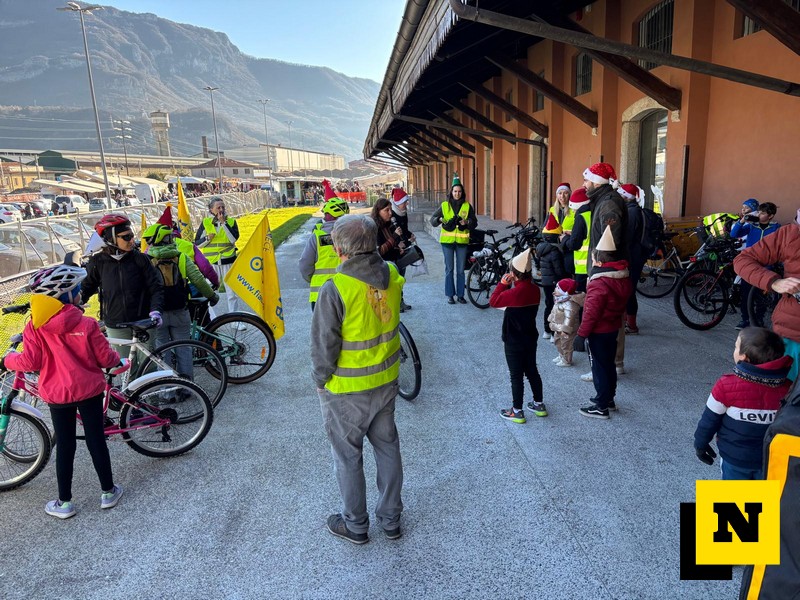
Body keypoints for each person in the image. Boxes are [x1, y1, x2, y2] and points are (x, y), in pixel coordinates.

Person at [2, 262, 125, 519]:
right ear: (66, 295)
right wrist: (117, 361)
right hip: (89, 390)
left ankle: (65, 502)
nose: (81, 291)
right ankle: (108, 492)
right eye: (77, 288)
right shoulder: (87, 323)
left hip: (57, 395)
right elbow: (105, 357)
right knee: (96, 440)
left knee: (65, 445)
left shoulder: (35, 327)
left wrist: (7, 360)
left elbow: (30, 362)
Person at [311, 214, 404, 544]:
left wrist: (320, 381)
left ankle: (356, 525)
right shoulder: (391, 275)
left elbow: (324, 348)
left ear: (339, 249)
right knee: (388, 448)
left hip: (347, 391)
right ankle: (391, 520)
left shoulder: (335, 288)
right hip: (386, 382)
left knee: (348, 458)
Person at [693, 327, 792, 480]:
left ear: (744, 358)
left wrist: (700, 443)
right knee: (764, 501)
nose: (734, 349)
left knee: (735, 500)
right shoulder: (789, 388)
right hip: (770, 459)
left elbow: (709, 420)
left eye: (736, 346)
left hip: (734, 459)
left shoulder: (725, 386)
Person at [81, 214, 164, 359]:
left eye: (132, 236)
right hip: (116, 323)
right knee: (126, 371)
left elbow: (156, 288)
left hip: (143, 321)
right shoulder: (98, 262)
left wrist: (156, 310)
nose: (132, 240)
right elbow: (87, 288)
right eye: (126, 237)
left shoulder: (141, 259)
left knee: (148, 369)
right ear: (111, 239)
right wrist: (72, 308)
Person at [143, 223, 219, 377]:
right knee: (184, 348)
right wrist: (212, 296)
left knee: (162, 351)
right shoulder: (181, 257)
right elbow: (198, 279)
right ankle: (188, 386)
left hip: (158, 313)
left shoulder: (146, 260)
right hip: (180, 310)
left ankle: (167, 391)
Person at [734, 209, 800, 383]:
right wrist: (774, 282)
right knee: (786, 401)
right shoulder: (791, 233)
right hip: (794, 337)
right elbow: (743, 260)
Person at [576, 226, 632, 419]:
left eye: (593, 259)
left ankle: (601, 406)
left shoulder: (599, 283)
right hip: (613, 327)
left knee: (599, 367)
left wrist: (581, 334)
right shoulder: (622, 277)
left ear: (599, 261)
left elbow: (590, 313)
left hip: (598, 331)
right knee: (609, 364)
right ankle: (609, 398)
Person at [490, 249, 546, 423]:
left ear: (513, 274)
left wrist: (502, 284)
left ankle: (517, 411)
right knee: (532, 371)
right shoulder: (535, 290)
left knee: (516, 375)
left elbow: (493, 301)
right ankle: (538, 404)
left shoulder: (513, 293)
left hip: (513, 340)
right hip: (530, 337)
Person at [730, 201, 780, 329]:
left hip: (766, 265)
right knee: (746, 294)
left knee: (760, 296)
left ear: (771, 216)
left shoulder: (776, 228)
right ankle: (745, 319)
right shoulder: (752, 226)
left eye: (762, 213)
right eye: (758, 211)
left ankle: (759, 319)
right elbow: (734, 234)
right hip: (750, 264)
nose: (759, 214)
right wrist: (742, 221)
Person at [429, 174, 477, 304]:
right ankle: (450, 295)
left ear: (462, 192)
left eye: (459, 191)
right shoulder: (444, 205)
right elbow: (432, 220)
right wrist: (439, 219)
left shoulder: (467, 206)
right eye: (455, 191)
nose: (457, 194)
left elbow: (475, 223)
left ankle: (460, 295)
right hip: (447, 243)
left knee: (460, 270)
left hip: (462, 242)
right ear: (451, 192)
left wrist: (467, 222)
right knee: (449, 269)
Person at [298, 189, 350, 310]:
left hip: (320, 295)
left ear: (329, 215)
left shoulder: (317, 237)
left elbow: (305, 265)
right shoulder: (351, 236)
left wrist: (312, 278)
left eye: (325, 214)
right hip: (346, 293)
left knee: (322, 328)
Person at [195, 197, 241, 314]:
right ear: (211, 210)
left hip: (228, 261)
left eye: (223, 207)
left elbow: (233, 239)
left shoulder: (231, 222)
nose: (221, 210)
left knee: (232, 292)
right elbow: (197, 244)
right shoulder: (206, 223)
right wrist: (207, 238)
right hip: (212, 263)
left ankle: (235, 320)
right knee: (210, 292)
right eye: (218, 207)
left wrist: (223, 223)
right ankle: (212, 319)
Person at [618, 184, 646, 335]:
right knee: (628, 289)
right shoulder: (634, 210)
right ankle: (628, 321)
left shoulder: (631, 212)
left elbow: (627, 237)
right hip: (635, 255)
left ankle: (632, 325)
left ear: (625, 196)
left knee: (628, 291)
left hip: (632, 256)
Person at [536, 212, 566, 340]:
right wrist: (564, 276)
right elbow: (558, 269)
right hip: (555, 282)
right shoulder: (554, 251)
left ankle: (546, 331)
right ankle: (554, 333)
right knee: (556, 307)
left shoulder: (541, 249)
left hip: (546, 282)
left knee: (548, 305)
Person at [548, 278, 585, 367]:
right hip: (558, 326)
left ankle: (567, 360)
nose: (555, 289)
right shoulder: (559, 299)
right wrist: (551, 319)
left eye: (558, 288)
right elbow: (554, 311)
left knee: (566, 344)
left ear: (565, 292)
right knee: (558, 341)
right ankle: (561, 355)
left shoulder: (570, 304)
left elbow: (569, 318)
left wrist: (565, 329)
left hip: (567, 329)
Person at [560, 188, 591, 289]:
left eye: (573, 207)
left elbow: (574, 244)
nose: (573, 210)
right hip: (592, 264)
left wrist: (564, 238)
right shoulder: (591, 213)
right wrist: (573, 233)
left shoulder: (580, 217)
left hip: (582, 265)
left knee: (581, 297)